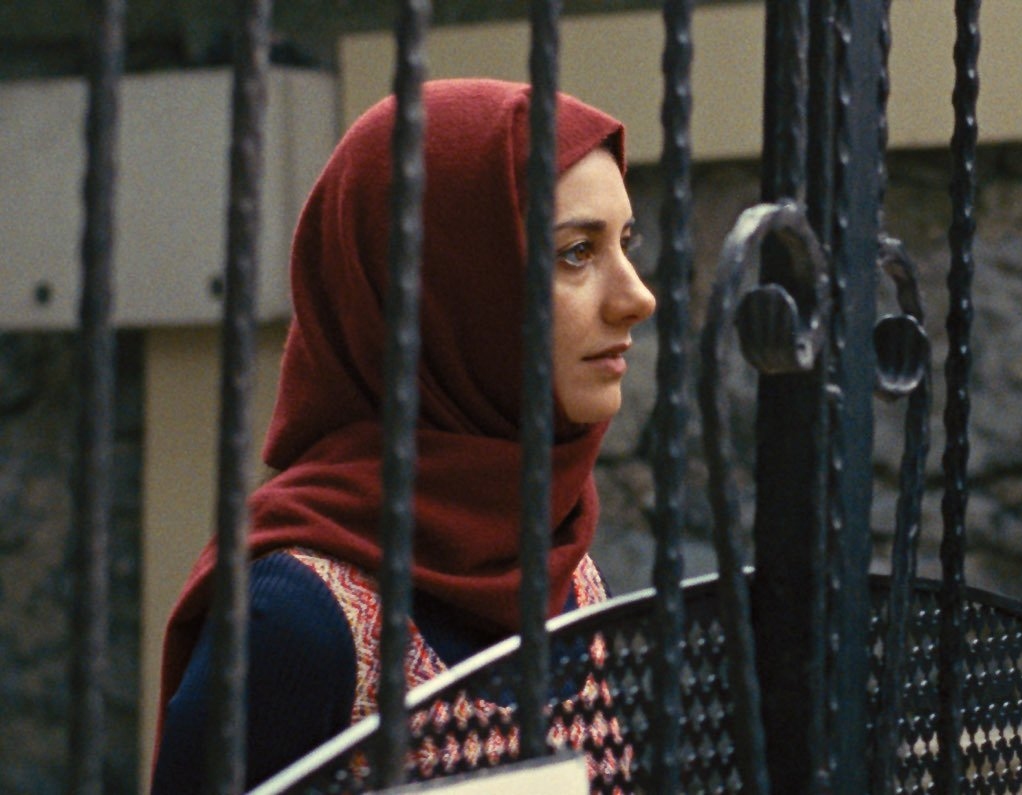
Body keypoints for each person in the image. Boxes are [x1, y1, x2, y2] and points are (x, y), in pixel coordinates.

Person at [151, 78, 655, 791]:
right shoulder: (291, 617)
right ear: (453, 285)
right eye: (576, 252)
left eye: (626, 244)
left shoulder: (560, 562)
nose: (638, 297)